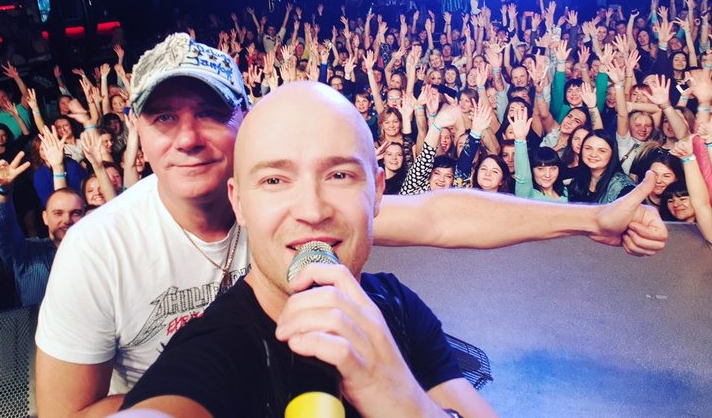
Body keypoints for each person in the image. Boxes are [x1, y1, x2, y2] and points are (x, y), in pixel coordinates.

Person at [36, 33, 667, 417]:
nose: (187, 138)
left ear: (243, 124)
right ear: (138, 132)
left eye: (208, 113)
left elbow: (440, 213)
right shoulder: (98, 250)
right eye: (163, 118)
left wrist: (591, 218)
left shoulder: (369, 281)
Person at [117, 81, 497, 417]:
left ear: (378, 191)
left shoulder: (396, 305)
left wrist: (407, 406)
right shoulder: (209, 352)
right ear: (239, 203)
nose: (312, 211)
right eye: (274, 180)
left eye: (339, 175)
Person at [0, 152, 85, 306]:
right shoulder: (28, 252)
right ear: (45, 217)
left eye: (76, 213)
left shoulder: (95, 252)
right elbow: (0, 236)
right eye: (58, 213)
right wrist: (2, 192)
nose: (67, 220)